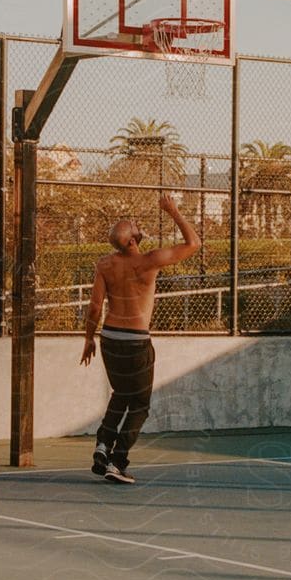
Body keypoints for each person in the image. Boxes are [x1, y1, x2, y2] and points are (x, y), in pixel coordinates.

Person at [80, 191, 200, 483]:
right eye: (134, 226)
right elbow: (193, 244)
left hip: (109, 338)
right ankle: (117, 462)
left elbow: (95, 305)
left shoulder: (105, 265)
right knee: (141, 404)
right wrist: (172, 211)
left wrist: (89, 338)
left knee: (121, 394)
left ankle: (102, 445)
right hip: (135, 340)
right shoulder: (149, 261)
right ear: (133, 241)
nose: (138, 226)